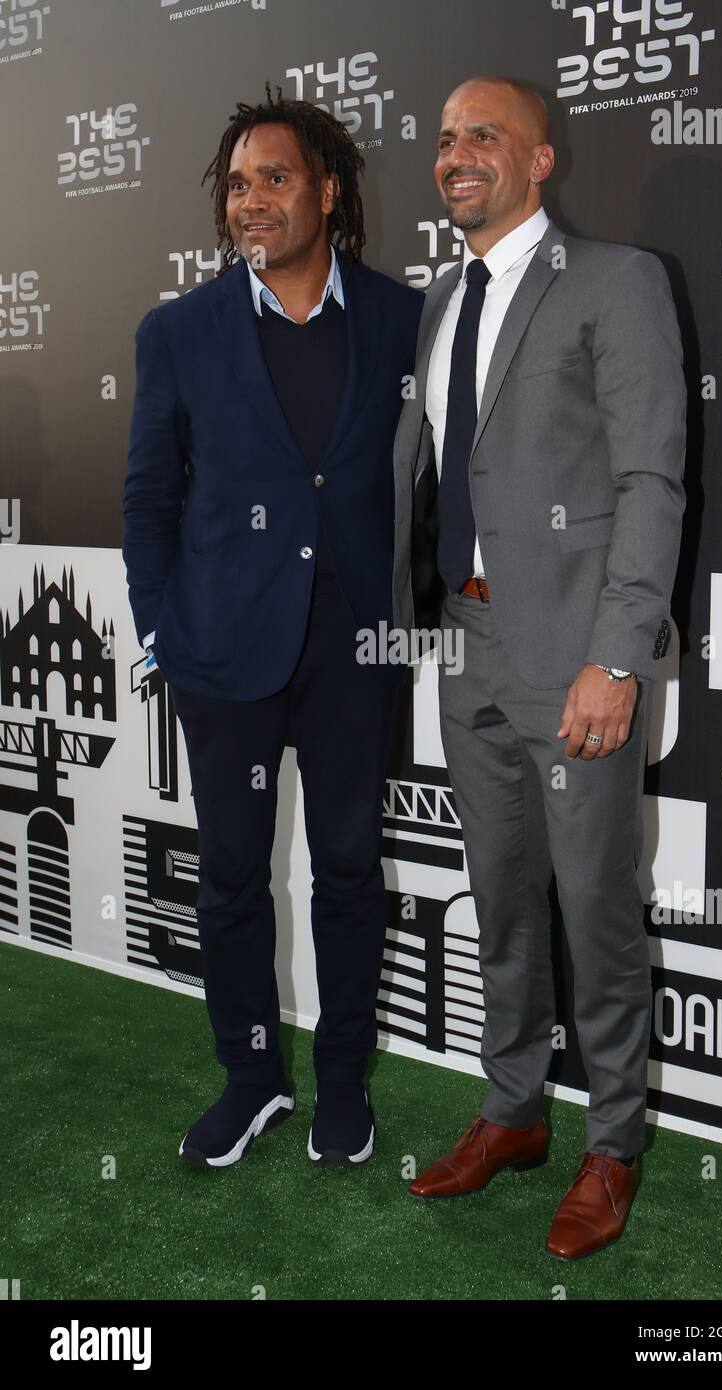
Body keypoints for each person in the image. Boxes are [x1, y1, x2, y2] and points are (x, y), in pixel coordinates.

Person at [392, 75, 686, 1257]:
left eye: (485, 137)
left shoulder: (615, 281)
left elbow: (649, 482)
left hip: (573, 657)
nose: (458, 154)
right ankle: (513, 1110)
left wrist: (616, 658)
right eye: (447, 136)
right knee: (503, 903)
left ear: (540, 161)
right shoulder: (438, 299)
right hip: (466, 650)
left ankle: (612, 1142)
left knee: (598, 910)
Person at [123, 83, 422, 1169]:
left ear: (328, 190)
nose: (251, 200)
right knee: (231, 877)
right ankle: (253, 1079)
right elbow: (149, 499)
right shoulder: (178, 332)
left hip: (353, 654)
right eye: (237, 184)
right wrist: (162, 628)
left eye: (274, 178)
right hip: (223, 654)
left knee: (348, 870)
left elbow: (438, 481)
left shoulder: (404, 318)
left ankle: (341, 1082)